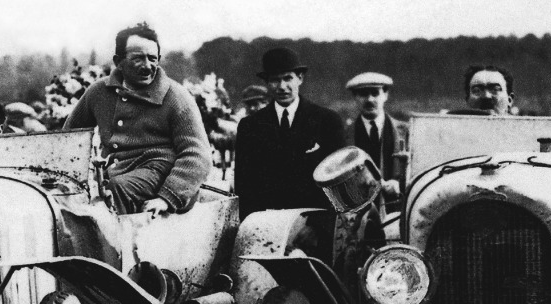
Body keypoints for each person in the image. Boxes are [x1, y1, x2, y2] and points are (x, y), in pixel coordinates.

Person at [65, 23, 211, 215]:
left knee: (115, 188)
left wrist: (167, 198)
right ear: (119, 61)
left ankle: (114, 235)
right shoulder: (99, 92)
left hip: (162, 174)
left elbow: (198, 155)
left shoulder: (176, 97)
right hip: (116, 173)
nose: (147, 66)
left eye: (152, 58)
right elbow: (69, 137)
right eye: (138, 58)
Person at [233, 46, 347, 218]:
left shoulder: (327, 120)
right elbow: (244, 186)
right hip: (266, 224)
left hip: (315, 225)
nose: (282, 87)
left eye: (288, 78)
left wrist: (323, 224)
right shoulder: (250, 126)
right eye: (274, 80)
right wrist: (252, 224)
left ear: (300, 78)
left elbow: (338, 181)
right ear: (266, 83)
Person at [347, 71, 402, 203]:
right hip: (359, 211)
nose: (370, 100)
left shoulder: (406, 132)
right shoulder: (344, 136)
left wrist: (399, 185)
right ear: (355, 97)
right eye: (363, 94)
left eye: (375, 93)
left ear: (385, 95)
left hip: (397, 209)